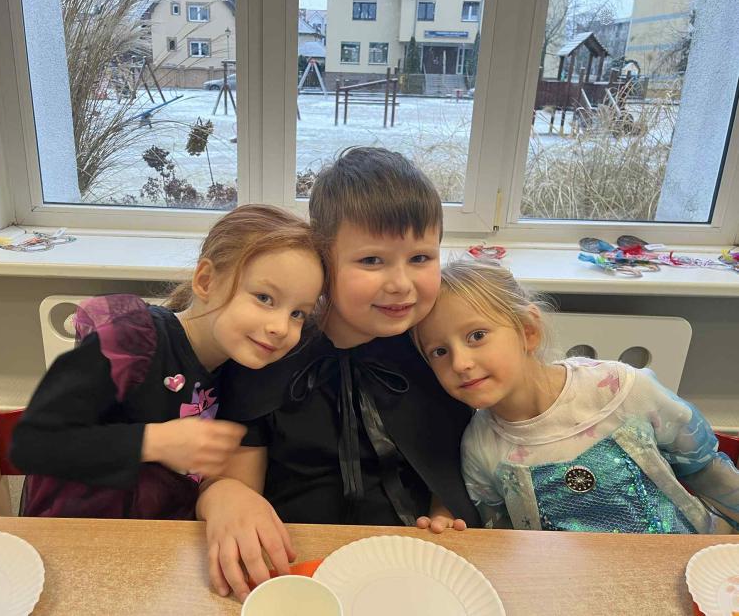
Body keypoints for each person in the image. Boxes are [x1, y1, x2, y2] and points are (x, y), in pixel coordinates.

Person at [197, 147, 481, 601]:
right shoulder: (270, 353)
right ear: (324, 262)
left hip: (411, 569)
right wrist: (225, 496)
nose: (401, 284)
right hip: (296, 568)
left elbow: (460, 456)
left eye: (420, 258)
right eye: (372, 261)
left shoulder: (437, 349)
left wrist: (445, 511)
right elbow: (236, 483)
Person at [10, 204, 324, 520]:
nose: (281, 327)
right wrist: (154, 441)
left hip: (161, 539)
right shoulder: (132, 340)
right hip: (74, 532)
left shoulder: (237, 371)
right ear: (206, 281)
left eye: (298, 313)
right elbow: (34, 443)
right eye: (264, 298)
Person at [414, 258, 739, 534]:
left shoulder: (625, 389)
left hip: (689, 564)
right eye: (439, 351)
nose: (460, 363)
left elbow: (708, 470)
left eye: (476, 336)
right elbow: (500, 539)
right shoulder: (479, 446)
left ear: (528, 331)